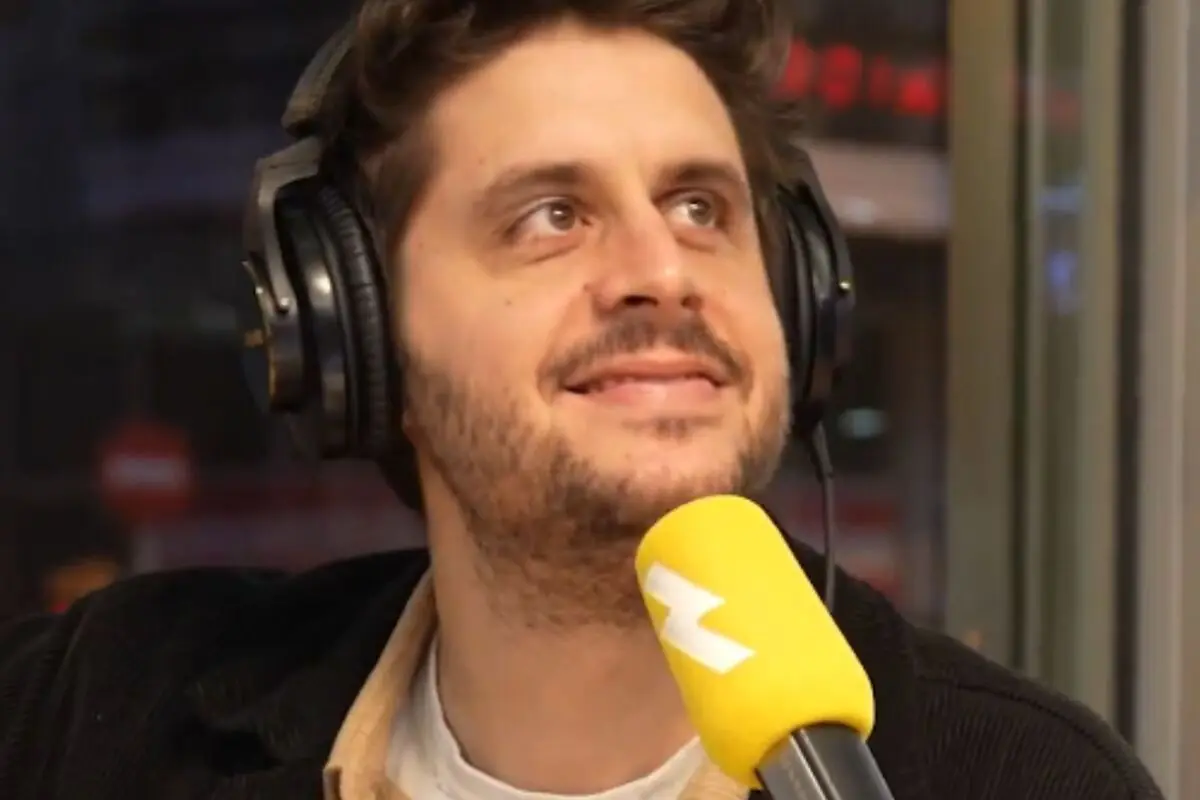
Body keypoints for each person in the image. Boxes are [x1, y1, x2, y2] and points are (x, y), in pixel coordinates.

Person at [0, 2, 1164, 799]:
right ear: (354, 331)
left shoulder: (1025, 775)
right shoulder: (108, 710)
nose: (663, 268)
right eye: (550, 214)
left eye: (703, 207)